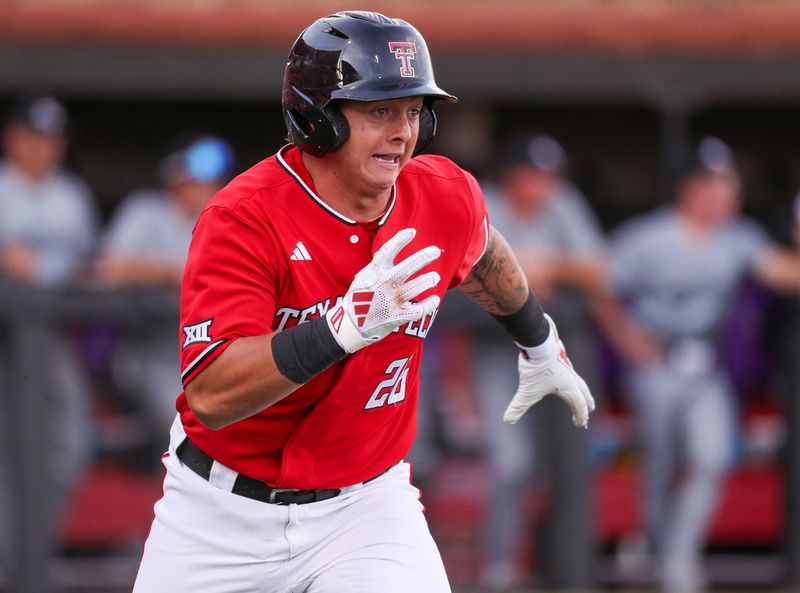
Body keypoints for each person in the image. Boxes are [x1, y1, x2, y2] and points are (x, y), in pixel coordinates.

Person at [133, 11, 594, 593]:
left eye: (411, 111)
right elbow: (212, 394)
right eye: (379, 111)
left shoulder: (441, 193)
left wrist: (539, 340)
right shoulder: (242, 217)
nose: (402, 131)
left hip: (366, 506)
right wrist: (341, 329)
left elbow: (480, 250)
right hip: (220, 513)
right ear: (316, 118)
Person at [597, 137, 800, 592]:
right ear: (692, 189)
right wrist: (627, 337)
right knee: (662, 465)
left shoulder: (737, 237)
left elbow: (781, 271)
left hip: (704, 367)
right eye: (718, 185)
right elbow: (599, 283)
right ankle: (657, 553)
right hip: (657, 363)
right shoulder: (650, 237)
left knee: (711, 455)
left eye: (729, 186)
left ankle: (678, 559)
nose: (729, 195)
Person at [474, 134, 606, 589]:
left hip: (542, 349)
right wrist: (523, 279)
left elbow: (596, 270)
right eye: (533, 175)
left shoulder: (563, 204)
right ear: (512, 175)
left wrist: (542, 265)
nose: (542, 185)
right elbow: (464, 270)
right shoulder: (485, 203)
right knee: (510, 462)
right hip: (491, 348)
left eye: (549, 176)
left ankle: (531, 564)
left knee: (553, 467)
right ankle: (498, 569)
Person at [0, 95, 98, 579]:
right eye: (34, 136)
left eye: (52, 138)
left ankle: (30, 552)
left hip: (49, 340)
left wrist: (42, 270)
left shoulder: (71, 196)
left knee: (71, 439)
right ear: (12, 138)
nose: (44, 147)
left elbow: (91, 268)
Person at [95, 134, 234, 447]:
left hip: (204, 350)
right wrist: (171, 271)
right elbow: (108, 269)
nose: (206, 186)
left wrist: (179, 272)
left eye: (211, 180)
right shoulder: (146, 211)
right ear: (175, 177)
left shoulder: (222, 217)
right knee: (183, 428)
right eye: (196, 179)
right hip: (143, 347)